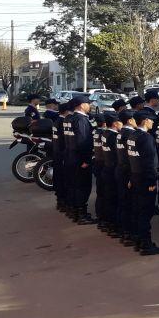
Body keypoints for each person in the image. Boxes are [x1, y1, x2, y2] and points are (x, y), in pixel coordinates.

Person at [127, 109, 159, 255]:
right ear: (144, 121)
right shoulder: (146, 138)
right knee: (145, 213)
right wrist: (151, 181)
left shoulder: (132, 136)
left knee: (138, 211)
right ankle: (146, 244)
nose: (153, 122)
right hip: (145, 180)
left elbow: (132, 159)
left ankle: (138, 241)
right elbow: (149, 162)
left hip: (136, 178)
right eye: (151, 119)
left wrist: (131, 178)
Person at [65, 94, 95, 224]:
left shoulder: (69, 118)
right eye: (88, 103)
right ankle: (81, 215)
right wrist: (86, 160)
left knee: (73, 185)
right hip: (79, 159)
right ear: (82, 105)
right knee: (82, 186)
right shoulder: (81, 120)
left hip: (70, 157)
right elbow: (83, 141)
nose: (90, 106)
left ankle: (75, 211)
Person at [114, 109, 137, 246]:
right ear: (129, 120)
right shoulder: (130, 134)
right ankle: (129, 234)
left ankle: (124, 231)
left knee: (123, 202)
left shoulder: (120, 133)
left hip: (120, 169)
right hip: (128, 171)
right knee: (130, 203)